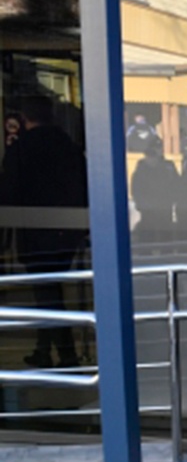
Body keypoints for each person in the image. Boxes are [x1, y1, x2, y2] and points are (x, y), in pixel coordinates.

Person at [0, 96, 89, 368]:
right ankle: (46, 350)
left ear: (25, 119)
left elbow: (9, 192)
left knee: (47, 293)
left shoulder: (21, 149)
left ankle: (65, 354)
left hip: (35, 232)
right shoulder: (68, 147)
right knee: (50, 291)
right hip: (67, 231)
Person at [130, 135, 180, 248]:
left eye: (159, 148)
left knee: (166, 237)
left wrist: (173, 199)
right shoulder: (142, 168)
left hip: (164, 206)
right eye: (154, 149)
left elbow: (176, 184)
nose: (158, 151)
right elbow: (136, 189)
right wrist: (141, 204)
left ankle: (166, 255)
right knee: (148, 236)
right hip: (148, 208)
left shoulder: (168, 166)